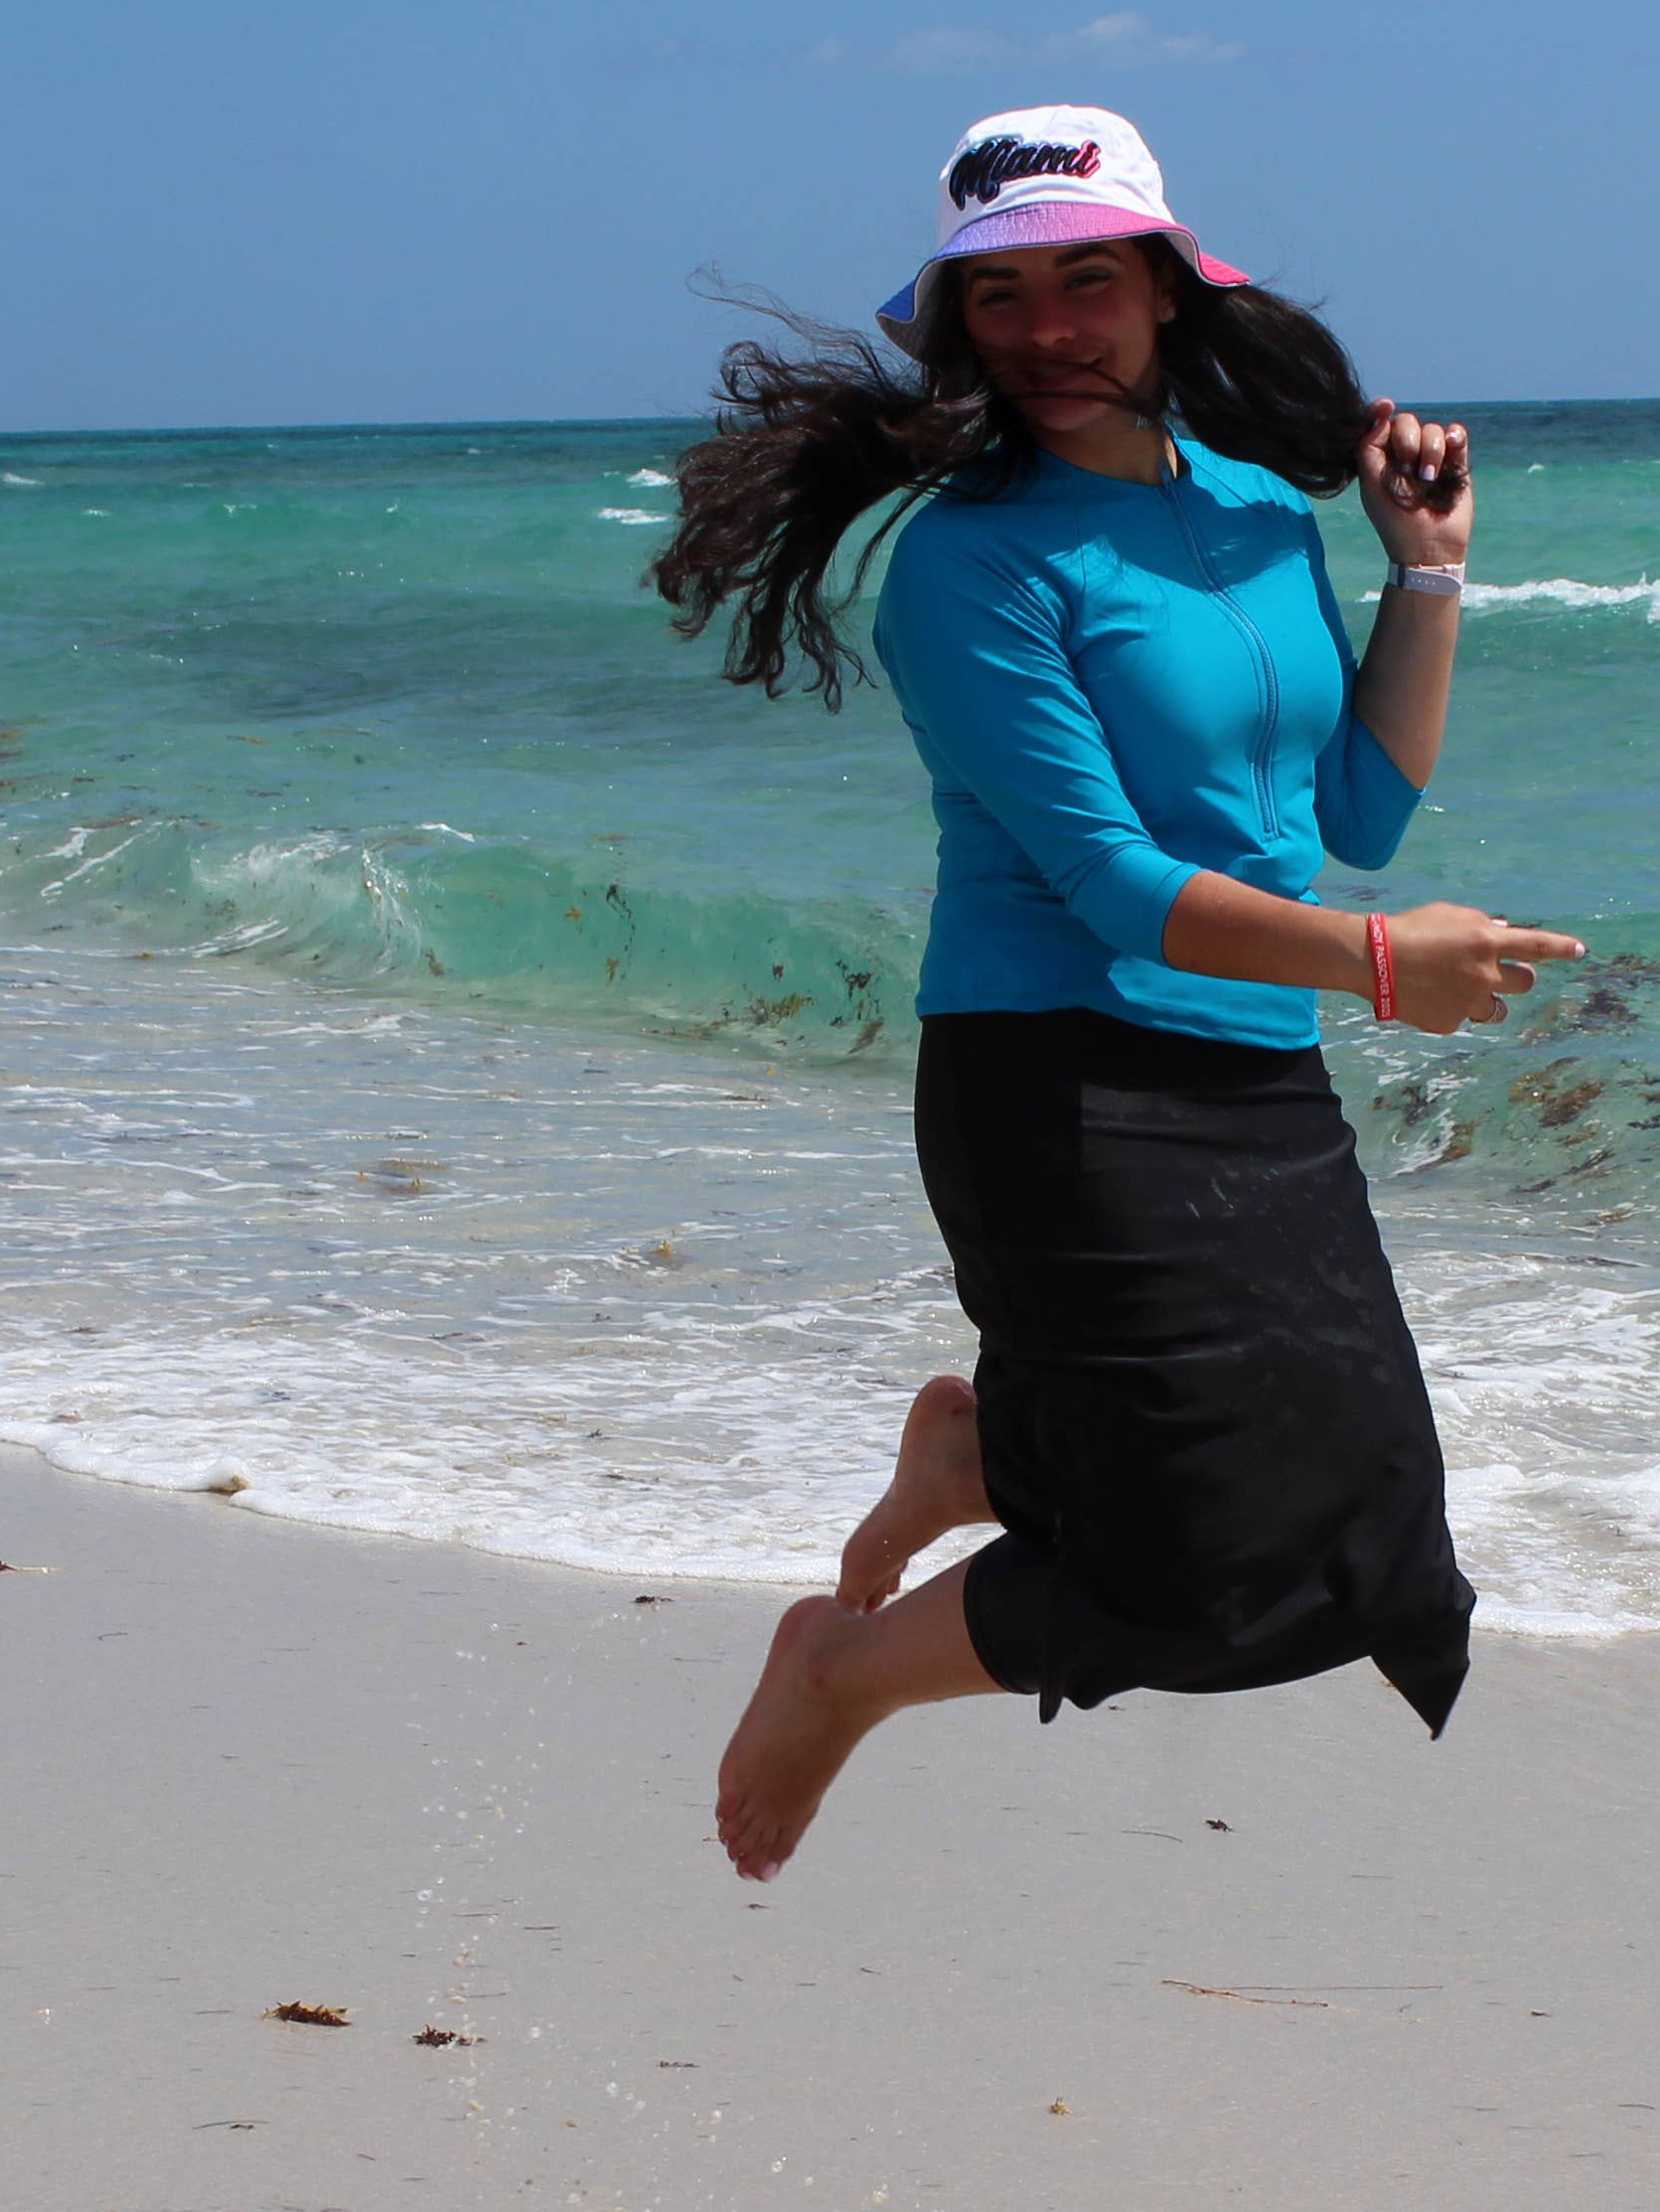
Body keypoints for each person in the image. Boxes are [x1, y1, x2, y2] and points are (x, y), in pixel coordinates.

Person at [653, 104, 1583, 1883]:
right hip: (1058, 1083)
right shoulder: (972, 562)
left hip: (1253, 1070)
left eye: (1087, 280)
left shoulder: (1255, 512)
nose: (1047, 330)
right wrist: (1388, 966)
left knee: (1367, 1538)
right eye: (998, 297)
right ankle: (842, 1670)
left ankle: (989, 1459)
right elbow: (1114, 886)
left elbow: (1355, 816)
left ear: (1169, 289)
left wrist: (1428, 568)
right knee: (1200, 1573)